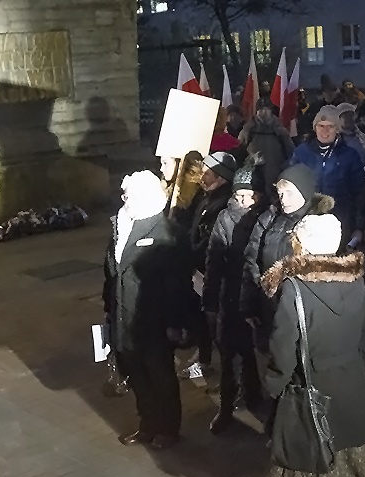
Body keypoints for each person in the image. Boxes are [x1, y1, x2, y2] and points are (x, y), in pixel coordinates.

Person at [261, 213, 365, 477]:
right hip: (350, 387)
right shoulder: (356, 280)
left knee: (296, 468)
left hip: (308, 389)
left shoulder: (294, 287)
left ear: (302, 244)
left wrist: (272, 385)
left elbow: (283, 348)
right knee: (347, 466)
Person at [103, 171, 191, 450]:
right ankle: (147, 424)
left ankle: (168, 428)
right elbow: (110, 274)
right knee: (136, 375)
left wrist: (175, 322)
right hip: (122, 315)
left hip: (152, 320)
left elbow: (177, 284)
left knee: (160, 376)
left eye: (129, 194)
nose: (124, 198)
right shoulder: (120, 225)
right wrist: (108, 309)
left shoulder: (167, 232)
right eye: (124, 193)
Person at [203, 160, 266, 433]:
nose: (243, 200)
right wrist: (210, 301)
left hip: (258, 298)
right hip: (231, 296)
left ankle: (255, 395)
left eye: (249, 195)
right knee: (229, 355)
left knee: (256, 354)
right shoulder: (225, 219)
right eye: (239, 195)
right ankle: (226, 407)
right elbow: (213, 262)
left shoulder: (266, 219)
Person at [241, 165, 334, 345]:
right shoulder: (270, 218)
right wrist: (250, 305)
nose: (284, 199)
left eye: (290, 193)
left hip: (301, 312)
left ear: (305, 191)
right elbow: (252, 260)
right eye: (280, 193)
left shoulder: (319, 224)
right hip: (267, 307)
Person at [181, 151, 237, 379]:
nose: (202, 177)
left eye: (207, 173)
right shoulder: (207, 199)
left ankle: (221, 371)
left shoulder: (221, 206)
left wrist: (188, 255)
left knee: (215, 324)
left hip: (212, 274)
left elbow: (209, 242)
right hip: (199, 271)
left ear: (221, 178)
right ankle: (203, 357)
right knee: (201, 318)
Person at [290, 105, 365, 247]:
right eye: (321, 126)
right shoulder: (302, 152)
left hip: (340, 219)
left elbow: (360, 192)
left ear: (337, 129)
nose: (325, 131)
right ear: (315, 128)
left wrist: (359, 226)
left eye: (330, 126)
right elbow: (291, 185)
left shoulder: (349, 155)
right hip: (306, 219)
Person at [239, 98, 295, 192]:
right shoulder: (248, 129)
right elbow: (240, 150)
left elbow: (291, 152)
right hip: (253, 172)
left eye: (266, 109)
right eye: (260, 109)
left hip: (275, 171)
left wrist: (284, 167)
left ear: (271, 111)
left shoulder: (279, 130)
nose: (263, 112)